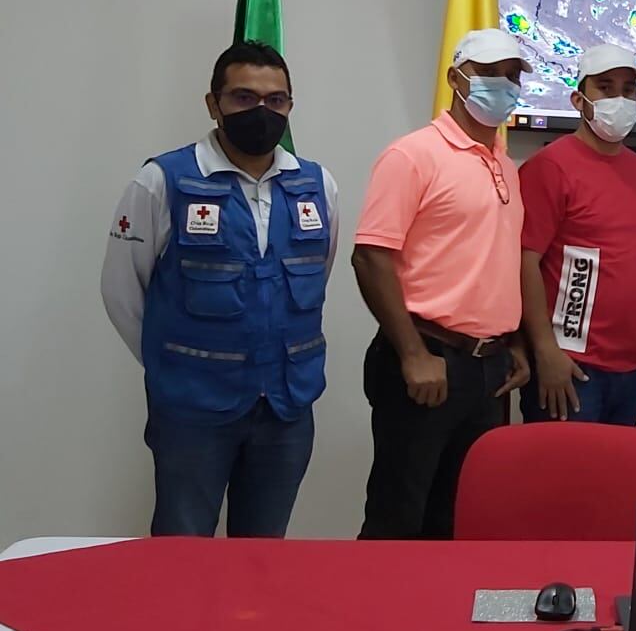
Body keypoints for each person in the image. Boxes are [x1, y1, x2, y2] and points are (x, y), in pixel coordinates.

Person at [101, 41, 338, 537]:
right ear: (214, 104)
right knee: (183, 547)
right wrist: (177, 364)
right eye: (244, 97)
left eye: (276, 101)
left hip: (285, 409)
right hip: (192, 409)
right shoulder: (163, 180)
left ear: (290, 106)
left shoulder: (317, 185)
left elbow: (319, 274)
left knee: (263, 552)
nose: (261, 111)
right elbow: (123, 291)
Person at [352, 28, 531, 540]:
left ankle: (437, 620)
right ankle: (379, 619)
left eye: (514, 75)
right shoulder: (413, 156)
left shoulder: (504, 164)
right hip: (427, 360)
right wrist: (411, 353)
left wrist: (510, 340)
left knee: (461, 519)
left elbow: (491, 259)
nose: (505, 85)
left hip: (488, 369)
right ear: (456, 78)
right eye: (490, 73)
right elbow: (370, 257)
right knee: (398, 516)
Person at [518, 43, 636, 425]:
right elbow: (524, 262)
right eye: (605, 87)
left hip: (631, 368)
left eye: (628, 89)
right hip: (570, 367)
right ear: (578, 99)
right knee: (562, 482)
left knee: (614, 482)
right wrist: (545, 351)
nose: (620, 98)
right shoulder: (549, 167)